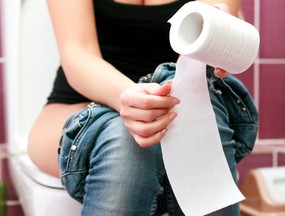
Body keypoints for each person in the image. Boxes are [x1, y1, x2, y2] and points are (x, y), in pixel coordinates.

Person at [28, 0, 258, 215]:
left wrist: (219, 34)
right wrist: (131, 100)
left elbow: (214, 30)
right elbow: (78, 53)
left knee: (192, 134)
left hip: (179, 103)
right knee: (127, 140)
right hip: (82, 99)